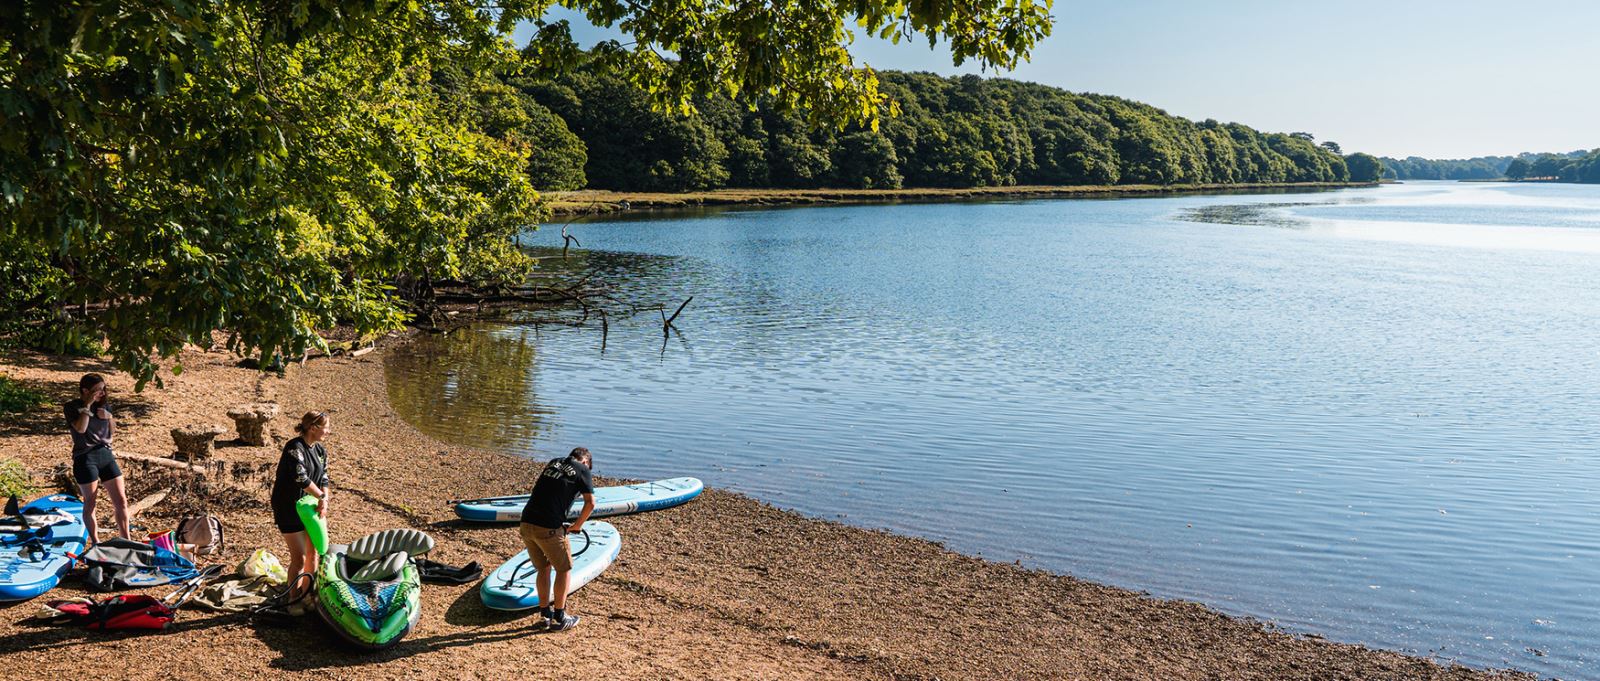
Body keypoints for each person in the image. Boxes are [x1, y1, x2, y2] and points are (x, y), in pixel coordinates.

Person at [518, 447, 596, 631]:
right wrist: (577, 525)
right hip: (549, 528)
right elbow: (590, 503)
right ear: (585, 462)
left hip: (526, 522)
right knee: (564, 569)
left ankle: (545, 614)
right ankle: (560, 618)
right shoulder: (583, 469)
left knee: (543, 568)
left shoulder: (554, 462)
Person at [270, 411, 332, 611]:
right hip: (288, 506)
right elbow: (301, 479)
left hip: (310, 507)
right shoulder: (294, 448)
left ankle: (307, 596)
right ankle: (292, 601)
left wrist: (325, 498)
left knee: (314, 554)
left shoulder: (320, 450)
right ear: (313, 428)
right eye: (326, 427)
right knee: (300, 557)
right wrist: (320, 497)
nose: (328, 432)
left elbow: (324, 478)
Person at [64, 373, 130, 543]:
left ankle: (127, 539)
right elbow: (80, 428)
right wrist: (87, 406)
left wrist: (109, 417)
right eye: (97, 390)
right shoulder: (72, 406)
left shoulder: (105, 405)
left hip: (105, 454)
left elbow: (112, 431)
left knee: (121, 500)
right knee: (90, 503)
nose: (102, 393)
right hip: (85, 458)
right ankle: (95, 542)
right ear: (85, 390)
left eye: (103, 389)